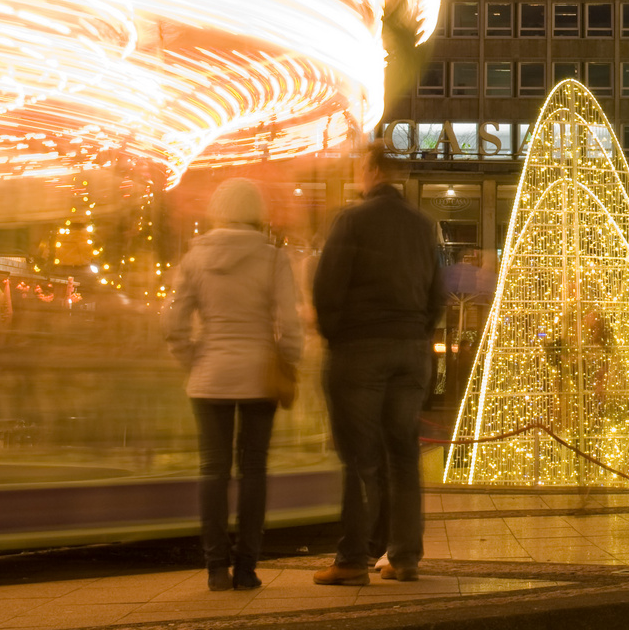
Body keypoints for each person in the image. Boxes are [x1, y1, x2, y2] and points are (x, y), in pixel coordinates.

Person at [312, 141, 443, 586]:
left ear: (370, 169)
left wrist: (336, 338)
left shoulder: (352, 219)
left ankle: (352, 559)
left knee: (360, 457)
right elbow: (436, 296)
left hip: (361, 348)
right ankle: (405, 556)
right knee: (404, 454)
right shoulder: (423, 225)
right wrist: (416, 336)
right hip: (411, 349)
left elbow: (328, 288)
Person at [164, 178, 302, 592]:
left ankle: (215, 569)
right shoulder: (273, 257)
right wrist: (287, 360)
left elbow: (172, 320)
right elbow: (291, 324)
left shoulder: (195, 256)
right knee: (254, 470)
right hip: (260, 375)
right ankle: (246, 568)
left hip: (209, 377)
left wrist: (192, 358)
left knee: (213, 471)